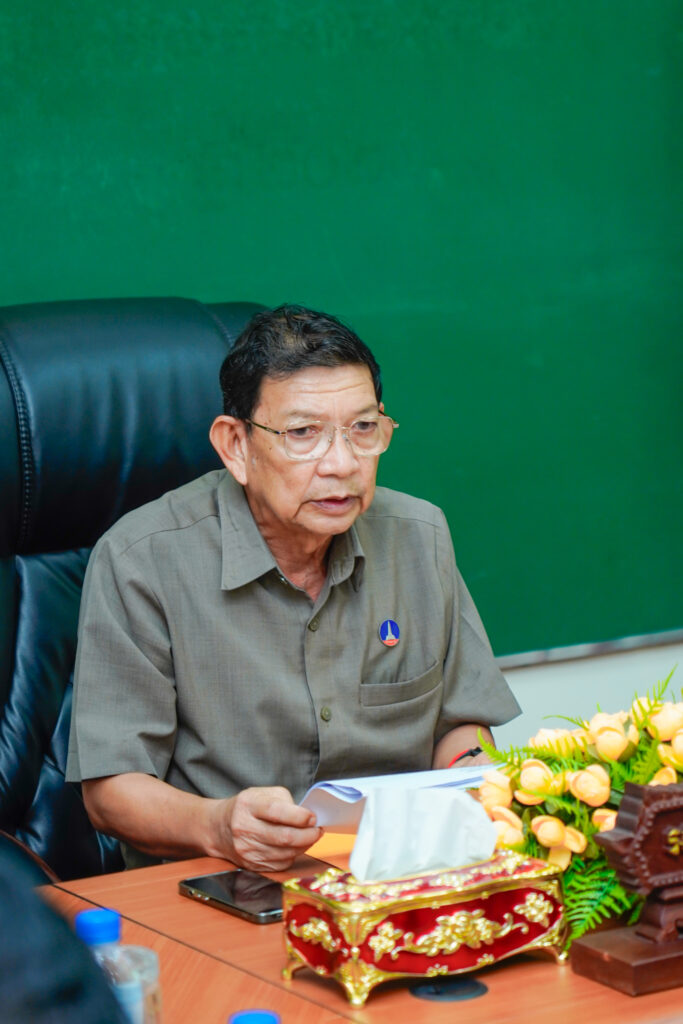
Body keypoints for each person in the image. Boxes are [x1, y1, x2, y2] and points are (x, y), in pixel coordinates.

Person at [67, 305, 520, 871]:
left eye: (363, 429)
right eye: (303, 433)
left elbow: (458, 724)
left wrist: (469, 774)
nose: (342, 463)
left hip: (392, 872)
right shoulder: (142, 559)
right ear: (236, 446)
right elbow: (111, 792)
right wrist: (218, 825)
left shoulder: (419, 537)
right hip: (225, 877)